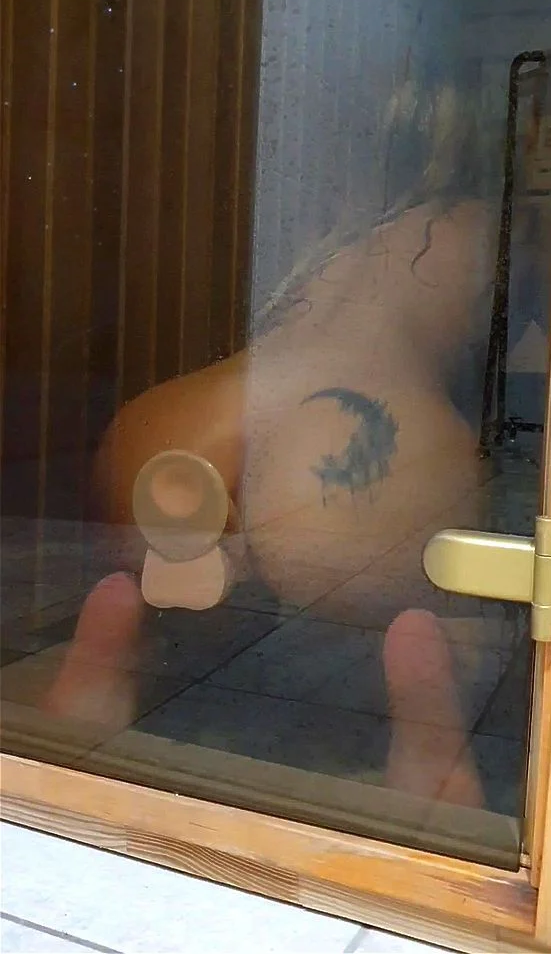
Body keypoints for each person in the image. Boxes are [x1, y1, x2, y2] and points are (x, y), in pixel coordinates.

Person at [45, 78, 500, 810]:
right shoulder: (473, 219)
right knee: (428, 642)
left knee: (184, 614)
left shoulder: (327, 216)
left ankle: (114, 675)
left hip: (176, 424)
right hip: (372, 446)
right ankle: (424, 735)